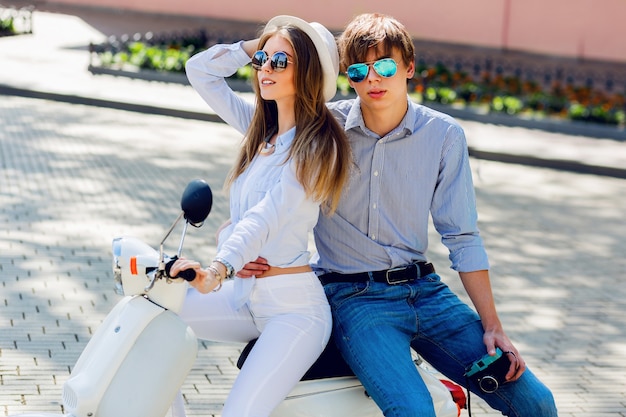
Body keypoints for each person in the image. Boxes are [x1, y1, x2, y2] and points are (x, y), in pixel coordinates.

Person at [240, 12, 558, 417]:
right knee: (413, 410)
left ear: (409, 67)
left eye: (385, 66)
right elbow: (264, 187)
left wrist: (493, 326)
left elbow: (462, 236)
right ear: (347, 77)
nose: (372, 78)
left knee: (536, 403)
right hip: (354, 298)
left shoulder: (443, 136)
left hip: (428, 294)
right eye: (358, 70)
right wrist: (236, 243)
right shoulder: (320, 130)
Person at [167, 15, 351, 417]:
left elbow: (266, 217)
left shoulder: (317, 147)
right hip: (245, 298)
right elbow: (199, 70)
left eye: (280, 62)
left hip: (293, 310)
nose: (265, 68)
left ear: (309, 75)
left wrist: (217, 269)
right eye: (262, 61)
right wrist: (260, 44)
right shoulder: (260, 133)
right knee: (157, 312)